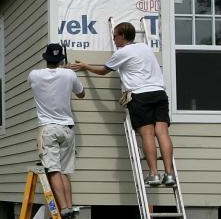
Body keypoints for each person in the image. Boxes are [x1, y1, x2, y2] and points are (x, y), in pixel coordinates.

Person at [71, 21, 176, 187]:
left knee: (148, 135)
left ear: (122, 36)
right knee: (162, 133)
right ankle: (170, 175)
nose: (113, 40)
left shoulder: (122, 53)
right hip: (159, 93)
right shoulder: (145, 48)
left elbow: (103, 71)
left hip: (140, 95)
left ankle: (154, 174)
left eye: (115, 36)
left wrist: (86, 66)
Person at [28, 43, 85, 219]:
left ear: (46, 58)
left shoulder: (34, 75)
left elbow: (46, 78)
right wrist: (66, 71)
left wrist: (61, 69)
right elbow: (81, 94)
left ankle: (65, 211)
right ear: (61, 59)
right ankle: (69, 208)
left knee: (53, 170)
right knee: (65, 171)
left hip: (48, 128)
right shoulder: (69, 74)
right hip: (67, 128)